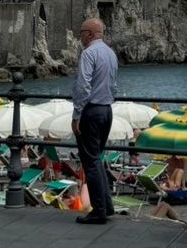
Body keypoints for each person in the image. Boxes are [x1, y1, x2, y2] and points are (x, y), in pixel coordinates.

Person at [70, 17, 118, 225]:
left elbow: (83, 86)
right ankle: (106, 205)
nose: (80, 36)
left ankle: (99, 211)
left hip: (91, 111)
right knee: (96, 158)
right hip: (106, 110)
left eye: (81, 32)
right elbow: (113, 85)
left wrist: (77, 115)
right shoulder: (110, 53)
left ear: (89, 34)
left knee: (90, 162)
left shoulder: (88, 53)